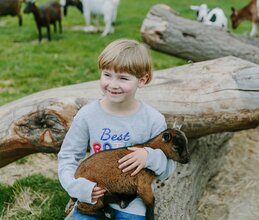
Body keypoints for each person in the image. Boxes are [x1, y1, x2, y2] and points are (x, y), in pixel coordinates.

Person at [58, 39, 176, 220]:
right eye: (107, 75)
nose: (113, 84)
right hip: (93, 197)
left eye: (123, 78)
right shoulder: (88, 115)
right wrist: (77, 187)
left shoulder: (153, 120)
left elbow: (168, 168)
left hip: (133, 204)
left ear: (142, 80)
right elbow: (68, 156)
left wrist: (149, 157)